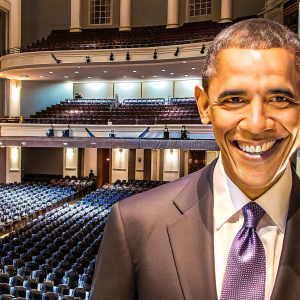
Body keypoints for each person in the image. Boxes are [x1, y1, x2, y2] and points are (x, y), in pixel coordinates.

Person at [90, 18, 300, 300]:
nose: (256, 124)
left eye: (280, 99)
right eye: (235, 99)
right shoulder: (134, 224)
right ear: (204, 107)